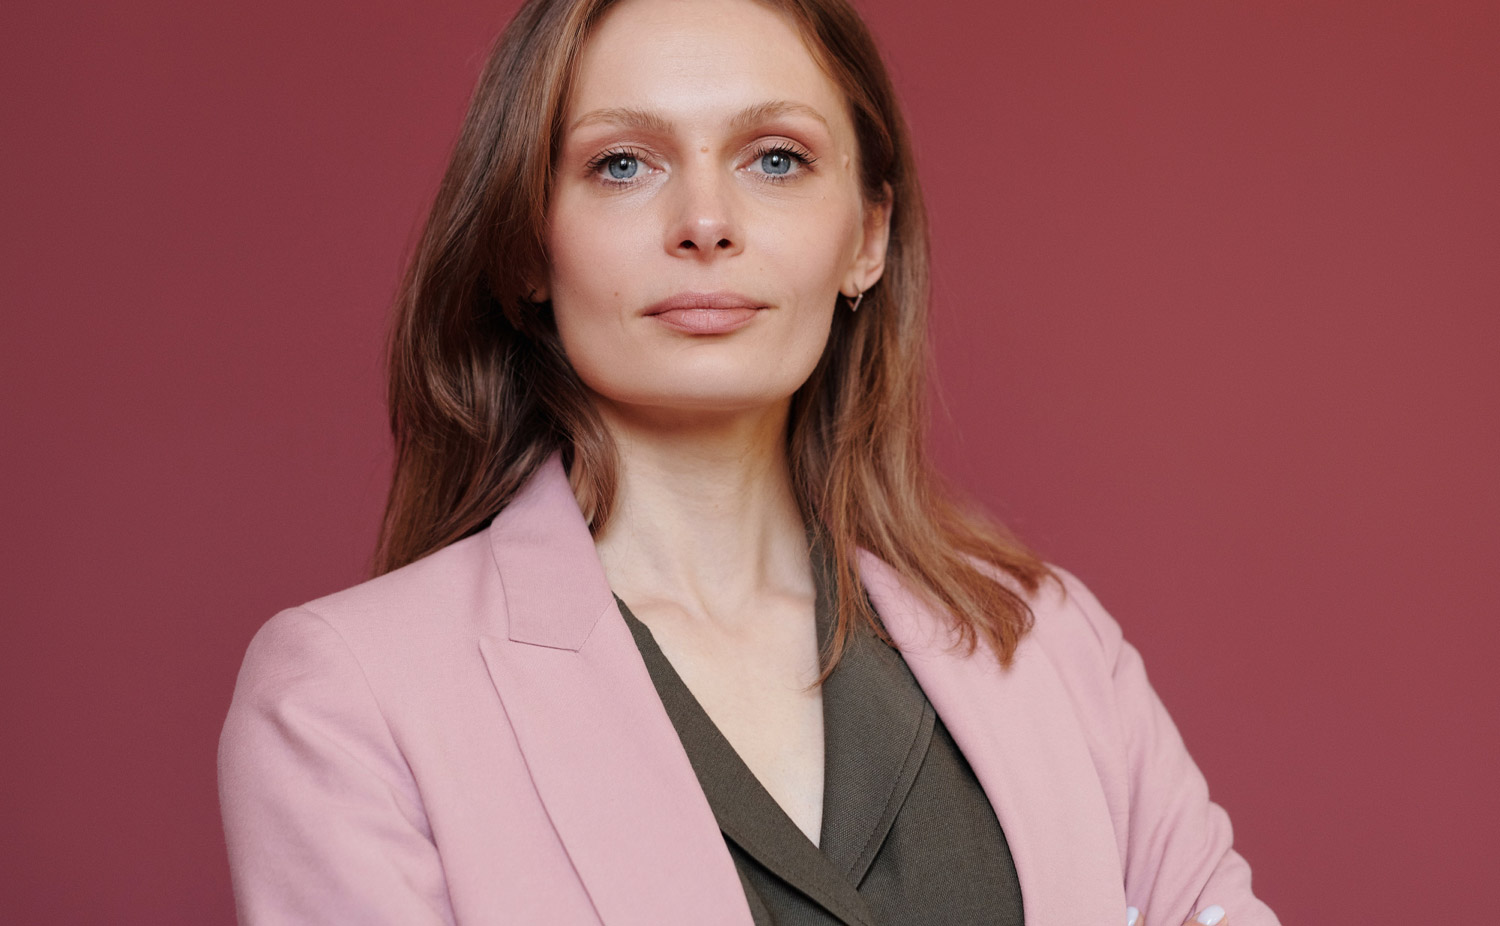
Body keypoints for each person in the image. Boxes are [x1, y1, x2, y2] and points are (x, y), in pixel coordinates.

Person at [217, 0, 1281, 923]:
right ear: (527, 246)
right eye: (622, 163)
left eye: (776, 158)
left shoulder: (1049, 640)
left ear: (867, 235)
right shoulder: (349, 698)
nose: (706, 222)